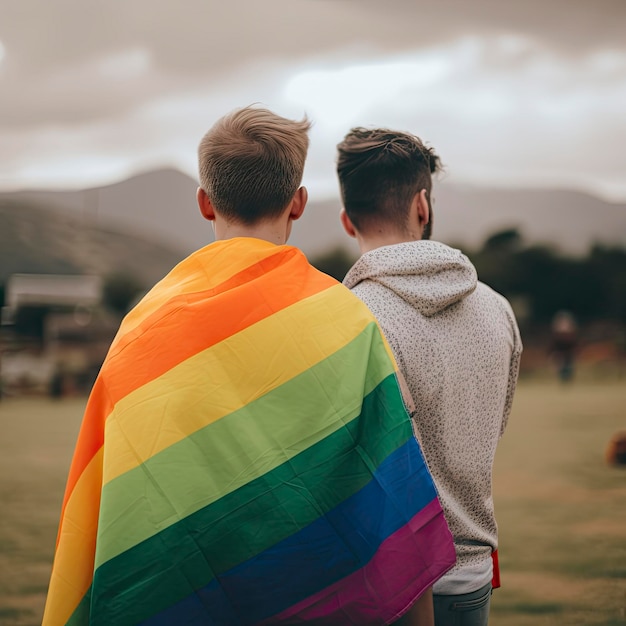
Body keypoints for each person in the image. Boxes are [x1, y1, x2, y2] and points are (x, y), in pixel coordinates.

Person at [42, 107, 455, 626]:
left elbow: (116, 499)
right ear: (299, 203)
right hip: (312, 591)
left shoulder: (141, 329)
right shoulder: (346, 317)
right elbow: (387, 476)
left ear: (204, 203)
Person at [336, 127, 523, 626]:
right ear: (423, 205)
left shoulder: (342, 319)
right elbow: (491, 427)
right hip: (472, 575)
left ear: (346, 217)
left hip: (379, 581)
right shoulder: (498, 309)